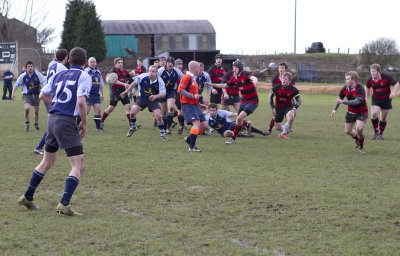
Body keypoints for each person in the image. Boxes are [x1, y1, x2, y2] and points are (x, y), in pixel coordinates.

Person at [17, 47, 92, 216]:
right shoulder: (84, 76)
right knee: (78, 166)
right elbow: (81, 102)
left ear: (68, 60)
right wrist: (84, 123)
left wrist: (57, 106)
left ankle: (27, 196)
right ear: (85, 61)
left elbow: (43, 95)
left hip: (52, 120)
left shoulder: (59, 74)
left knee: (46, 162)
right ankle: (64, 204)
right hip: (66, 122)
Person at [207, 60, 260, 144]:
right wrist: (212, 84)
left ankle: (234, 138)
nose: (233, 69)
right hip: (244, 100)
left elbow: (253, 77)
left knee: (239, 118)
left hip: (253, 101)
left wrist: (255, 81)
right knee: (238, 119)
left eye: (235, 67)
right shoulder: (234, 78)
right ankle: (243, 130)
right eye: (233, 67)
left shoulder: (245, 74)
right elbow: (224, 85)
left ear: (239, 68)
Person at [33, 48, 69, 155]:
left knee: (55, 122)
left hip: (48, 95)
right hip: (55, 97)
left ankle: (61, 143)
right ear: (66, 57)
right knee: (56, 123)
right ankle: (40, 146)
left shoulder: (51, 65)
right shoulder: (62, 68)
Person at [121, 65, 167, 141]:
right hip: (142, 98)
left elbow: (163, 93)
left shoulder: (160, 81)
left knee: (158, 116)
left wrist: (156, 96)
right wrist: (126, 92)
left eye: (153, 71)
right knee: (132, 113)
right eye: (150, 71)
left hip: (153, 100)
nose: (151, 73)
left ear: (156, 73)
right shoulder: (143, 76)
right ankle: (133, 127)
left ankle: (162, 134)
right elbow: (134, 83)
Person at [331, 71, 368, 153]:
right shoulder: (345, 88)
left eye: (347, 79)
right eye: (345, 79)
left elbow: (357, 101)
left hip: (362, 112)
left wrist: (343, 102)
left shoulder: (360, 89)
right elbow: (339, 99)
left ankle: (361, 148)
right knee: (348, 131)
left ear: (353, 80)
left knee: (359, 129)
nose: (345, 81)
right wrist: (335, 109)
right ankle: (358, 139)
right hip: (351, 112)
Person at [178, 61, 209, 152]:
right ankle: (192, 147)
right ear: (193, 68)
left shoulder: (193, 78)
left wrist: (199, 104)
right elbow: (180, 90)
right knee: (196, 124)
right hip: (188, 105)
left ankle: (189, 139)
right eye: (198, 67)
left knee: (204, 126)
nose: (200, 69)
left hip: (195, 105)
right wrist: (192, 96)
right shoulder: (186, 77)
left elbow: (194, 94)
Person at [365, 63, 399, 140]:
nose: (372, 73)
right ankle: (376, 132)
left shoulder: (386, 78)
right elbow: (367, 87)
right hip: (376, 100)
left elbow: (396, 84)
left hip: (386, 100)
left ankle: (380, 134)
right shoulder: (370, 80)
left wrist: (394, 92)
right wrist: (366, 97)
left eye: (373, 71)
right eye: (371, 71)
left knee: (383, 118)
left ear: (378, 71)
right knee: (373, 114)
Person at [12, 61, 47, 132]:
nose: (30, 68)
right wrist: (13, 93)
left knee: (36, 112)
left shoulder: (37, 74)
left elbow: (44, 81)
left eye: (31, 66)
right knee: (27, 108)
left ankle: (36, 124)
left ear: (33, 67)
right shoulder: (23, 76)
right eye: (28, 66)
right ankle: (27, 124)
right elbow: (16, 84)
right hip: (27, 95)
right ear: (26, 68)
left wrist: (44, 88)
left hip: (37, 95)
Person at [100, 57, 133, 129]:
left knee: (128, 107)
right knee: (111, 108)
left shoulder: (124, 71)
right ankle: (101, 121)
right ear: (115, 64)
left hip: (123, 92)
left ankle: (132, 124)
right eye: (119, 63)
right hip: (115, 92)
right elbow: (114, 80)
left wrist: (133, 76)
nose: (120, 64)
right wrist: (124, 84)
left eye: (121, 63)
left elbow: (130, 79)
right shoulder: (113, 71)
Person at [268, 72, 301, 139]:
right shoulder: (276, 87)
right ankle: (285, 130)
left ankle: (284, 133)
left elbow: (299, 101)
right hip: (278, 107)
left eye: (285, 79)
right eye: (283, 78)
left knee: (290, 117)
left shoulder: (293, 89)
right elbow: (269, 97)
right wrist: (273, 107)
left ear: (289, 81)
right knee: (277, 125)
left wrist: (294, 109)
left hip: (288, 107)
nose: (283, 80)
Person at [266, 62, 295, 135]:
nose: (281, 69)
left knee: (290, 116)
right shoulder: (275, 78)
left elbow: (293, 89)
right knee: (275, 117)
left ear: (285, 69)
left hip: (288, 102)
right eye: (279, 67)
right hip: (279, 101)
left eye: (282, 68)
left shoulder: (290, 78)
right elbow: (273, 90)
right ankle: (271, 130)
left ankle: (287, 128)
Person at [157, 57, 184, 133]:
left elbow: (184, 79)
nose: (170, 64)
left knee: (171, 108)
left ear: (173, 64)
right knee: (163, 114)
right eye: (168, 62)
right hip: (162, 92)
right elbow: (154, 79)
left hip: (171, 91)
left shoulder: (177, 71)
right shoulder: (160, 71)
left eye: (171, 62)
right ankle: (165, 128)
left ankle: (168, 128)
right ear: (166, 63)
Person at [84, 57, 105, 132]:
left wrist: (102, 94)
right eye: (91, 62)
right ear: (88, 63)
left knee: (98, 110)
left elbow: (101, 84)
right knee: (86, 111)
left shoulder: (98, 72)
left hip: (96, 95)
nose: (93, 63)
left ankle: (98, 128)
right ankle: (76, 124)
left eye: (94, 62)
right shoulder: (85, 71)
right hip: (88, 95)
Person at [175, 58, 186, 134]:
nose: (179, 65)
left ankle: (183, 124)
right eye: (178, 64)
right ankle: (181, 126)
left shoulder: (185, 72)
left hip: (185, 93)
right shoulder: (174, 73)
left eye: (180, 64)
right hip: (177, 93)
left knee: (185, 110)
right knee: (180, 111)